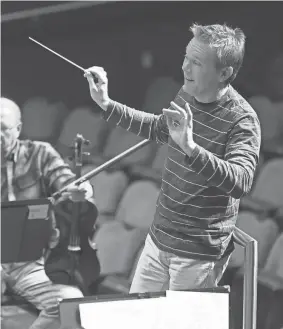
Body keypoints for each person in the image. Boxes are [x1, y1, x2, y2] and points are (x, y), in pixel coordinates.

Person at [84, 23, 261, 293]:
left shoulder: (242, 120)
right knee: (139, 318)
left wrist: (191, 148)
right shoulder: (187, 94)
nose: (185, 68)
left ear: (224, 73)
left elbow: (241, 182)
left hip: (197, 254)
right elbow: (158, 128)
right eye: (186, 58)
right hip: (159, 239)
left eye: (197, 63)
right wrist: (106, 104)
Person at [0, 97, 96, 329]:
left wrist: (81, 189)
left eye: (3, 129)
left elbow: (67, 184)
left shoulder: (40, 154)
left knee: (70, 303)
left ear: (19, 129)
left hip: (31, 263)